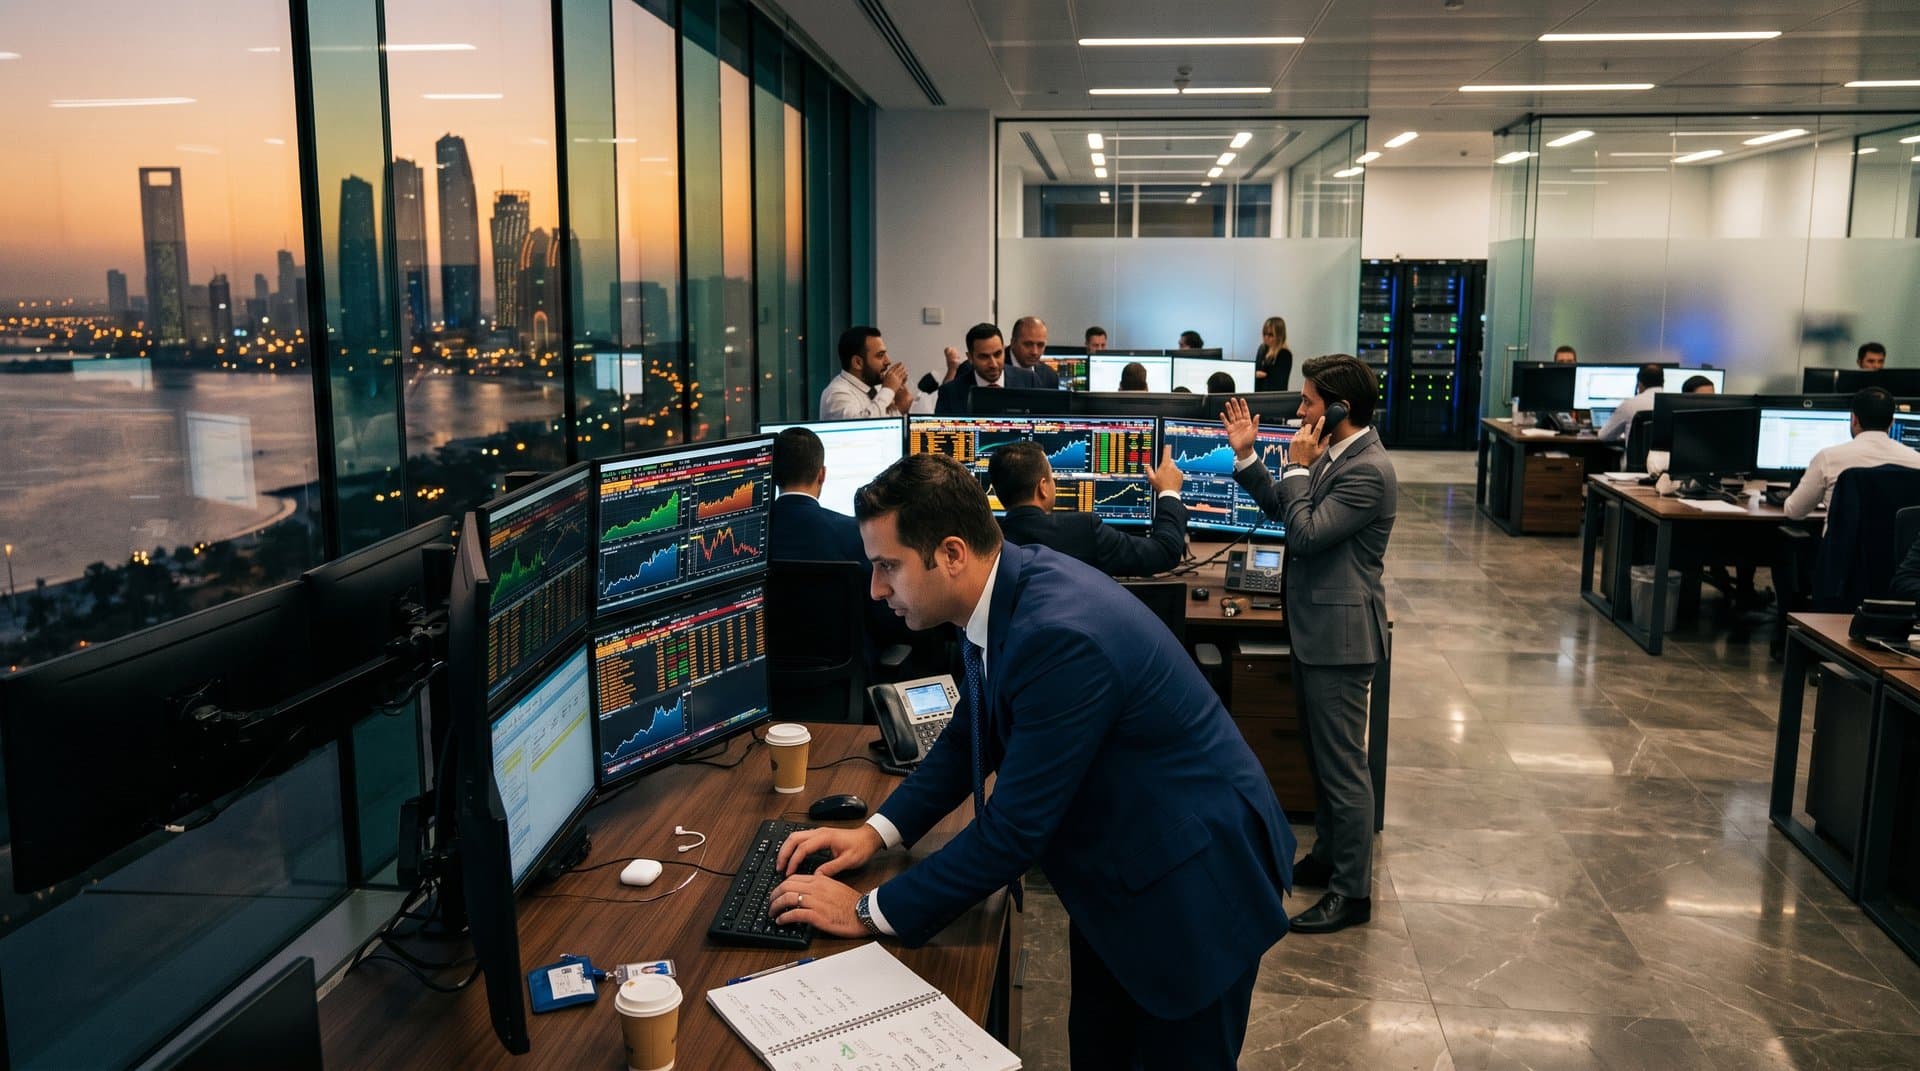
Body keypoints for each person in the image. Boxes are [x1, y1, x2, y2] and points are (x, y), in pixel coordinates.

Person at [767, 453, 1294, 1068]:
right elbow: (974, 731)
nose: (876, 589)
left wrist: (867, 911)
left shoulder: (1056, 634)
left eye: (888, 566)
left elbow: (1014, 832)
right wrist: (876, 835)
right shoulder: (1007, 587)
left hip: (1192, 889)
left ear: (953, 554)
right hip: (1124, 878)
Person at [1221, 354, 1395, 935]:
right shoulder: (1338, 454)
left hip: (1341, 639)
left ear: (1340, 409)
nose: (1299, 411)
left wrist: (1297, 470)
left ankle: (1353, 892)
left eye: (1309, 402)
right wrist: (1248, 456)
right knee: (1323, 761)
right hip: (1316, 629)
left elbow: (1306, 533)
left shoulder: (1368, 469)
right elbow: (1284, 509)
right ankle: (1329, 857)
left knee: (1345, 768)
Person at [990, 440, 1188, 577]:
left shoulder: (987, 542)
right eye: (1052, 477)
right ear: (1043, 487)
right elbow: (1164, 552)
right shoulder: (1083, 530)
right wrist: (1169, 492)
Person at [1785, 387, 1920, 520]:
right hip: (1897, 542)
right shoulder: (1916, 461)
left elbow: (1794, 511)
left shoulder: (1829, 458)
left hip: (1843, 542)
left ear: (1854, 419)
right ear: (1892, 422)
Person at [935, 323, 1041, 415]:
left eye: (998, 354)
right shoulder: (949, 393)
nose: (993, 364)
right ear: (970, 358)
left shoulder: (1029, 380)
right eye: (984, 357)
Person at [820, 326, 911, 419]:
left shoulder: (875, 388)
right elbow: (864, 428)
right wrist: (888, 390)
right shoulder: (836, 394)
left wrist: (899, 409)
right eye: (880, 355)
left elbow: (883, 428)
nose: (888, 361)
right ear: (857, 362)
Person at [1597, 364, 1665, 452]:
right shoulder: (1673, 404)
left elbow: (1604, 436)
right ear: (1663, 382)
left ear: (1639, 383)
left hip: (1636, 463)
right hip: (1666, 464)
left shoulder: (1629, 404)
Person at [1008, 316, 1060, 389]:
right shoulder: (995, 368)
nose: (1034, 352)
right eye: (1028, 344)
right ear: (1013, 342)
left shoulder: (1050, 376)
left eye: (1040, 345)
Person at [1255, 316, 1293, 390]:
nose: (1266, 337)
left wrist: (1262, 375)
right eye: (1264, 333)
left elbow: (1278, 382)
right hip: (1258, 393)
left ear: (1279, 336)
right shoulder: (1262, 349)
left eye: (1270, 335)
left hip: (1273, 396)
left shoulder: (1284, 354)